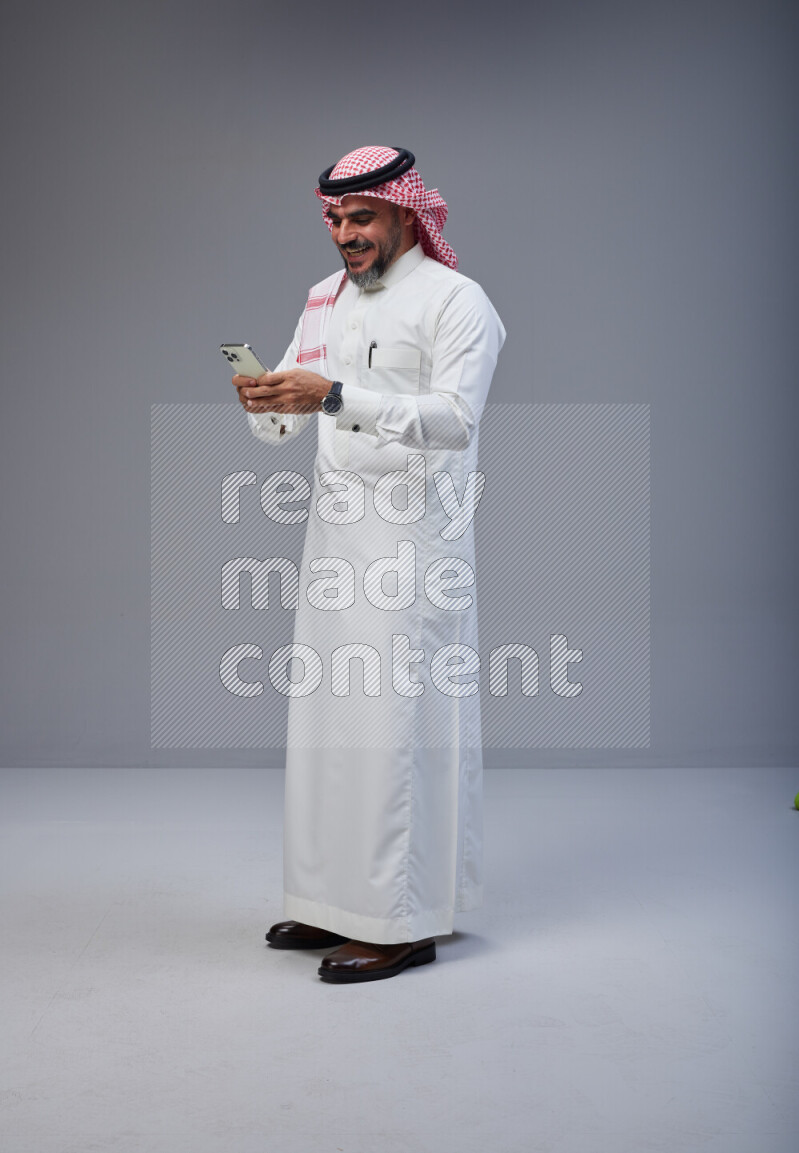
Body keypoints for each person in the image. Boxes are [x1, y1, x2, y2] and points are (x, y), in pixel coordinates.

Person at [233, 146, 505, 983]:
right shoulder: (325, 299)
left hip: (413, 545)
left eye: (362, 217)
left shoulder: (459, 302)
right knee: (328, 723)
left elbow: (455, 419)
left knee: (395, 726)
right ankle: (332, 903)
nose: (346, 234)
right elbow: (293, 409)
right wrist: (266, 401)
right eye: (335, 219)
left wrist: (333, 397)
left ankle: (401, 921)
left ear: (405, 213)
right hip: (334, 539)